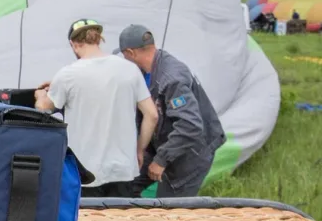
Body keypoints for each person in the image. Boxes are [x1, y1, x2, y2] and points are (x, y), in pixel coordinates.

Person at [34, 19, 158, 198]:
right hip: (123, 169)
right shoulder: (130, 69)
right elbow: (152, 115)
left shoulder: (68, 74)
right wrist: (139, 150)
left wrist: (41, 95)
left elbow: (44, 108)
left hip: (84, 171)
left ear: (73, 44)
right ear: (99, 39)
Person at [115, 24, 226, 197]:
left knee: (168, 206)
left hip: (191, 150)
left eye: (124, 55)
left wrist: (161, 160)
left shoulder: (171, 78)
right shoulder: (146, 71)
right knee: (126, 184)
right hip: (163, 142)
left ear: (131, 53)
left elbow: (190, 125)